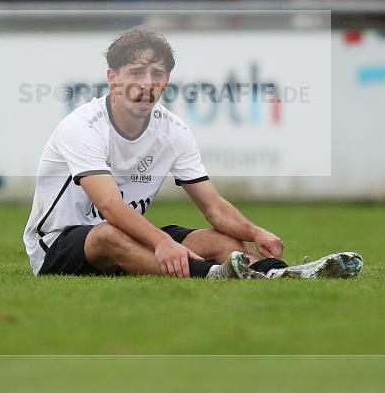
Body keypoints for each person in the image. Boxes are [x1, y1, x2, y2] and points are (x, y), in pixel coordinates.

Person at [23, 26, 364, 279]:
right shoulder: (82, 126)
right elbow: (110, 206)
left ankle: (282, 274)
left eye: (157, 74)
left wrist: (255, 232)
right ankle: (211, 275)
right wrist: (162, 242)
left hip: (129, 235)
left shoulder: (173, 130)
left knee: (222, 240)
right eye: (136, 73)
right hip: (56, 247)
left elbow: (213, 206)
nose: (147, 83)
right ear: (112, 78)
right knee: (108, 234)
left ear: (167, 81)